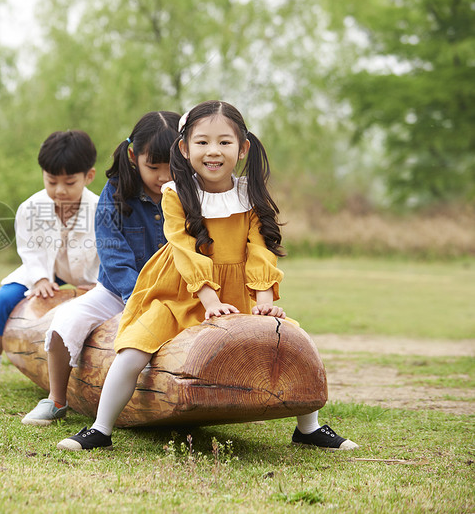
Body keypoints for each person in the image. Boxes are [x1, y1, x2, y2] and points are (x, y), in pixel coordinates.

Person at [57, 100, 358, 451]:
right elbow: (184, 249)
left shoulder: (250, 193)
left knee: (291, 338)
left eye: (224, 142)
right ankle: (101, 429)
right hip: (179, 291)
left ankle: (308, 427)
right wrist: (209, 299)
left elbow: (259, 247)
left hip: (236, 293)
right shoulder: (176, 194)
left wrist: (264, 301)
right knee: (133, 351)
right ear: (184, 148)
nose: (213, 151)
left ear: (243, 147)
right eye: (202, 142)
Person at [21, 111, 181, 426]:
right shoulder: (117, 191)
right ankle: (56, 399)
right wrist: (136, 297)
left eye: (172, 166)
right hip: (118, 290)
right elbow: (112, 249)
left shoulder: (190, 192)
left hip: (180, 291)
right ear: (134, 156)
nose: (163, 176)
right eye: (154, 167)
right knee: (65, 320)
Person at [0, 130, 100, 386]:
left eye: (69, 183)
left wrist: (99, 284)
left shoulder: (101, 210)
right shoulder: (30, 208)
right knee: (5, 296)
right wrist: (41, 278)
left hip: (88, 272)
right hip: (48, 266)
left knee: (101, 307)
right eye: (51, 181)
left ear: (88, 176)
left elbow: (107, 252)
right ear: (43, 175)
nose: (59, 190)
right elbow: (29, 249)